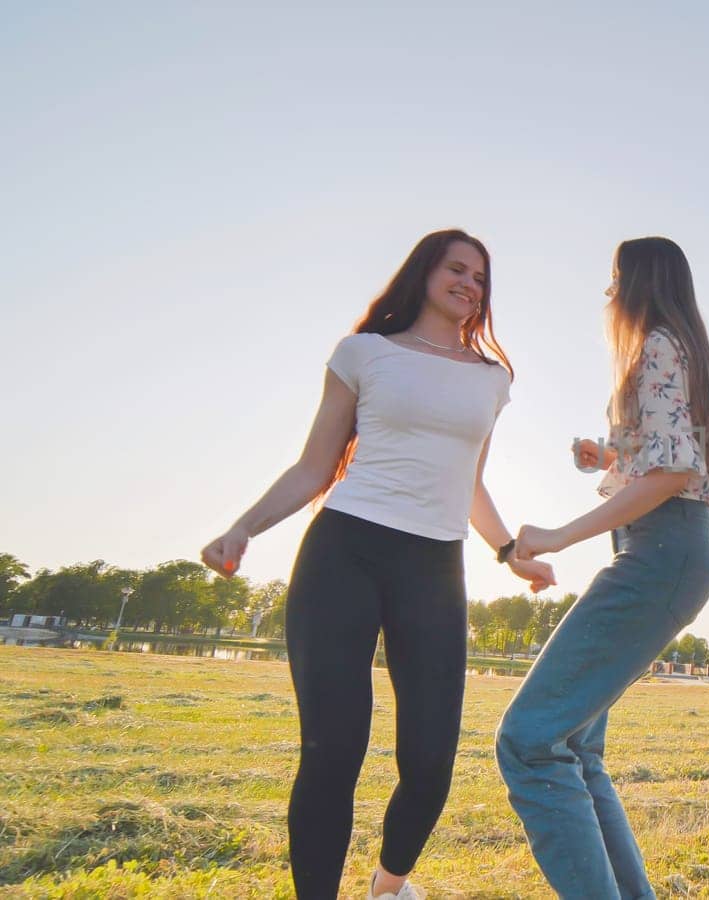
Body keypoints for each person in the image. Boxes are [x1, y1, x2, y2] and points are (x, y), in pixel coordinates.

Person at [199, 229, 553, 900]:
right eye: (457, 268)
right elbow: (314, 466)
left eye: (480, 276)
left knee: (429, 763)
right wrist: (242, 527)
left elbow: (469, 482)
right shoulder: (363, 354)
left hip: (435, 568)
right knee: (332, 752)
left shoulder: (492, 379)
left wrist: (508, 552)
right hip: (345, 552)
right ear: (424, 272)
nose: (470, 284)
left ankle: (388, 886)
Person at [495, 236, 709, 899]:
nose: (608, 293)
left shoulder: (657, 344)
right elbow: (662, 452)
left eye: (615, 279)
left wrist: (560, 534)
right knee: (572, 747)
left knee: (530, 740)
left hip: (660, 553)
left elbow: (675, 470)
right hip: (668, 552)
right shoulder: (678, 350)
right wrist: (604, 455)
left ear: (640, 284)